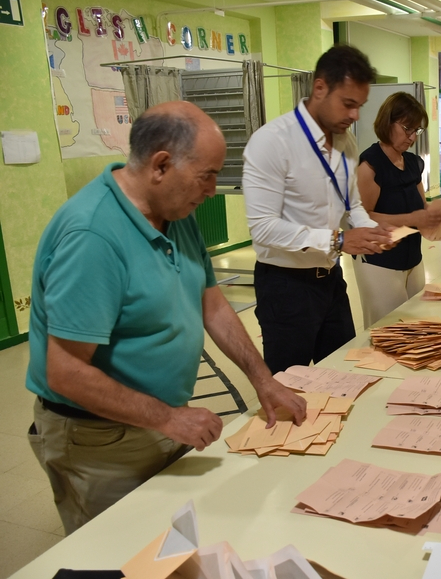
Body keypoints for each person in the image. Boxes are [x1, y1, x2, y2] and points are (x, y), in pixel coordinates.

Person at [26, 102, 308, 535]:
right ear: (161, 165)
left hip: (157, 417)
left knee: (171, 543)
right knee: (117, 557)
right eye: (207, 175)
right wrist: (167, 418)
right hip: (100, 439)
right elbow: (64, 372)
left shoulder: (176, 213)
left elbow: (210, 303)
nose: (212, 189)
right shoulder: (93, 237)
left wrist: (263, 378)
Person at [243, 45, 393, 372]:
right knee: (289, 386)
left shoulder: (346, 143)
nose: (355, 116)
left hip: (331, 282)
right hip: (285, 286)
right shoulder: (272, 141)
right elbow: (263, 229)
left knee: (343, 375)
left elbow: (352, 204)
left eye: (360, 106)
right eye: (348, 104)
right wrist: (338, 240)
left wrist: (368, 229)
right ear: (320, 88)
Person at [354, 92, 441, 328]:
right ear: (388, 122)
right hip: (379, 261)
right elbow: (361, 216)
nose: (411, 137)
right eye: (407, 128)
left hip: (412, 256)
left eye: (416, 131)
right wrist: (410, 218)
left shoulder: (412, 163)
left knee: (415, 327)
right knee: (389, 330)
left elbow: (423, 210)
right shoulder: (370, 164)